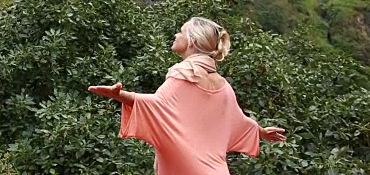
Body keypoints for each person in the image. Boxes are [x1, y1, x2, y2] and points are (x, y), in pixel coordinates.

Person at [88, 17, 286, 175]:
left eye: (181, 31)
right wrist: (262, 132)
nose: (176, 34)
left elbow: (157, 106)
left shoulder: (185, 71)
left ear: (191, 40)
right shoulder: (224, 86)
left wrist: (118, 94)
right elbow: (239, 121)